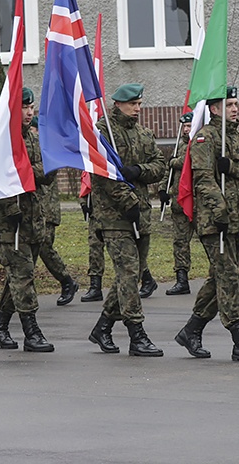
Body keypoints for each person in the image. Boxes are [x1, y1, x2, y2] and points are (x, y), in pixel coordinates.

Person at [174, 86, 239, 362]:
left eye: (236, 104)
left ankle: (191, 330)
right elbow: (203, 179)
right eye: (229, 105)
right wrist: (221, 211)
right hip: (215, 222)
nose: (235, 108)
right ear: (214, 109)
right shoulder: (206, 138)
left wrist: (233, 168)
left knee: (219, 277)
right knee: (228, 277)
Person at [88, 83, 166, 357]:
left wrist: (137, 171)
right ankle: (137, 334)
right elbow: (104, 173)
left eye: (140, 104)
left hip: (140, 214)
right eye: (133, 104)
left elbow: (160, 166)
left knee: (128, 275)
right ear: (118, 104)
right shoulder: (102, 132)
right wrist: (128, 201)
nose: (138, 109)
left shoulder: (144, 133)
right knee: (130, 274)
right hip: (114, 217)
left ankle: (103, 327)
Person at [0, 88, 55, 352]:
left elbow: (45, 173)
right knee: (22, 276)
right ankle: (31, 331)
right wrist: (25, 172)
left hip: (32, 221)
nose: (29, 112)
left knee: (17, 278)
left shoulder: (34, 141)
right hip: (8, 224)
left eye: (31, 107)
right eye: (24, 108)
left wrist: (28, 169)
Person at [31, 117, 80, 306]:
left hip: (47, 210)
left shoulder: (45, 151)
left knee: (44, 248)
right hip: (35, 210)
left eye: (35, 131)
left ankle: (67, 281)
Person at [160, 111, 195, 295]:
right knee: (180, 242)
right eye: (184, 126)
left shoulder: (201, 143)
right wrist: (162, 189)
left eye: (190, 126)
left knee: (210, 242)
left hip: (200, 203)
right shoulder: (178, 146)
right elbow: (169, 172)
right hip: (179, 202)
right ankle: (182, 279)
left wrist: (176, 162)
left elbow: (192, 162)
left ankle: (219, 277)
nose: (186, 129)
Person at [78, 192, 106, 302]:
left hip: (115, 214)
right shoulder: (92, 174)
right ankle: (95, 287)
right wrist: (83, 203)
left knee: (121, 251)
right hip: (96, 212)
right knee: (95, 248)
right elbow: (86, 185)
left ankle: (146, 278)